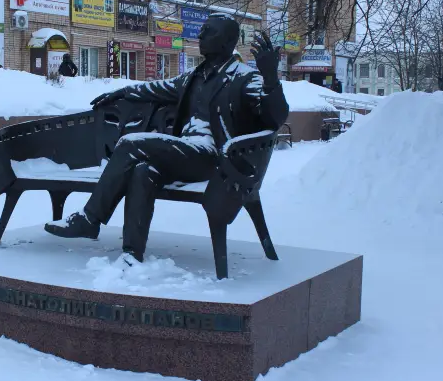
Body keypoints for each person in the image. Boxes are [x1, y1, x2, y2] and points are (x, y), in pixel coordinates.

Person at [44, 14, 289, 264]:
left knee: (131, 143)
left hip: (217, 159)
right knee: (142, 171)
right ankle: (131, 253)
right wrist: (121, 92)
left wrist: (271, 78)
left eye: (208, 32)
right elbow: (154, 88)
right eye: (202, 30)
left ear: (226, 42)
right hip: (187, 154)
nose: (200, 36)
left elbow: (276, 117)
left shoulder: (244, 78)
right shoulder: (193, 77)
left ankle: (90, 219)